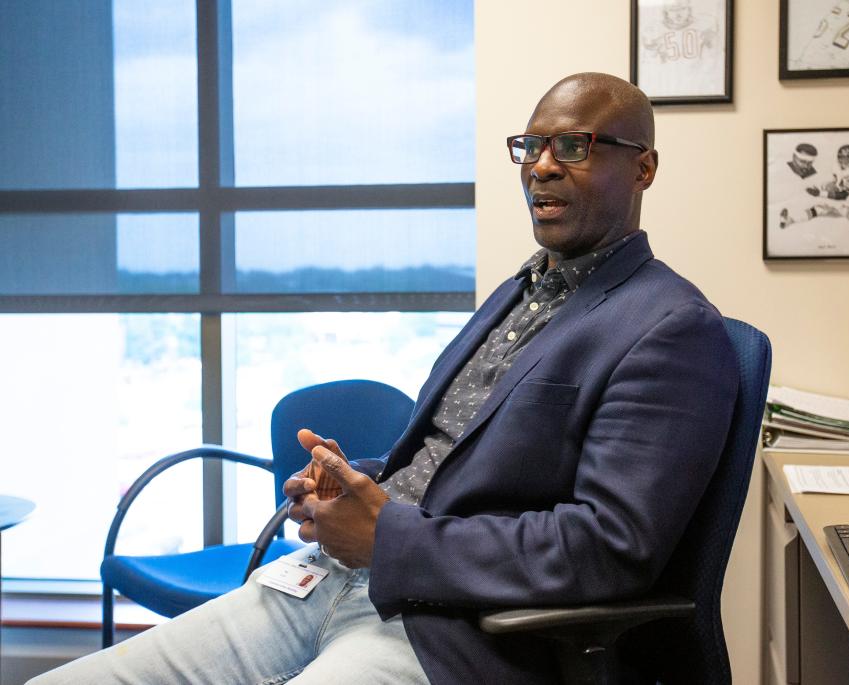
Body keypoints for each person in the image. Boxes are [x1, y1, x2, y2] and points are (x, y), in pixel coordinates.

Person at [30, 72, 738, 684]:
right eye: (530, 146)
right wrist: (353, 487)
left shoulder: (671, 328)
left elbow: (606, 549)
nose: (541, 167)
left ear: (643, 167)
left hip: (453, 627)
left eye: (574, 146)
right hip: (327, 580)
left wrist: (387, 536)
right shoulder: (522, 290)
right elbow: (458, 462)